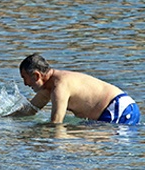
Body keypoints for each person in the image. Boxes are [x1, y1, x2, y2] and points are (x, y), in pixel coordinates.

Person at [11, 53, 140, 125]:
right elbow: (28, 111)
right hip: (117, 109)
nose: (25, 84)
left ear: (36, 75)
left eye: (25, 78)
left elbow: (56, 124)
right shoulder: (48, 87)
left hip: (119, 110)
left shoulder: (59, 87)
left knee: (77, 142)